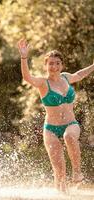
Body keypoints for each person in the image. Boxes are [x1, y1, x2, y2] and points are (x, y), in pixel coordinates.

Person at [17, 39, 94, 192]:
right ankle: (61, 193)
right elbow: (27, 77)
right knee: (59, 173)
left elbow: (79, 74)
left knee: (69, 137)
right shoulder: (43, 83)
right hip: (51, 129)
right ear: (46, 66)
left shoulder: (66, 77)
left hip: (71, 124)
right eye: (51, 63)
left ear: (62, 65)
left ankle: (77, 172)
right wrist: (24, 57)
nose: (54, 66)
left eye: (57, 63)